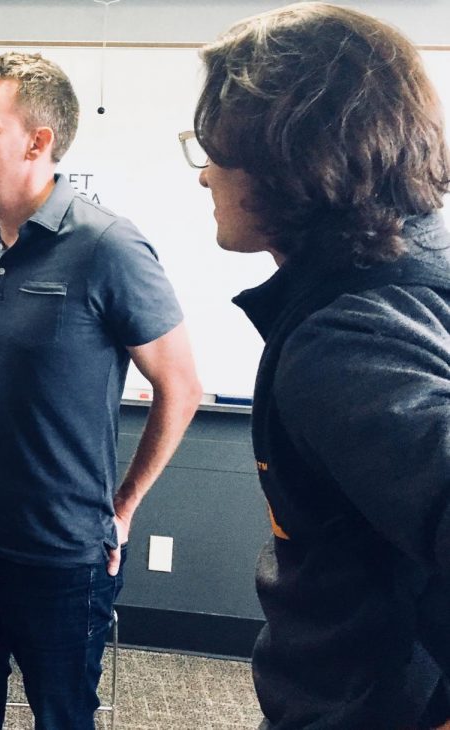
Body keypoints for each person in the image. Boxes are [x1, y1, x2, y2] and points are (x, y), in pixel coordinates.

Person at [186, 4, 450, 728]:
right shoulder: (413, 275)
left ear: (284, 157)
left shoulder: (345, 341)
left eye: (214, 147)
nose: (203, 176)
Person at [0, 52, 202, 729]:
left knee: (62, 718)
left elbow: (182, 386)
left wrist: (127, 504)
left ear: (38, 142)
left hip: (61, 553)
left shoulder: (108, 246)